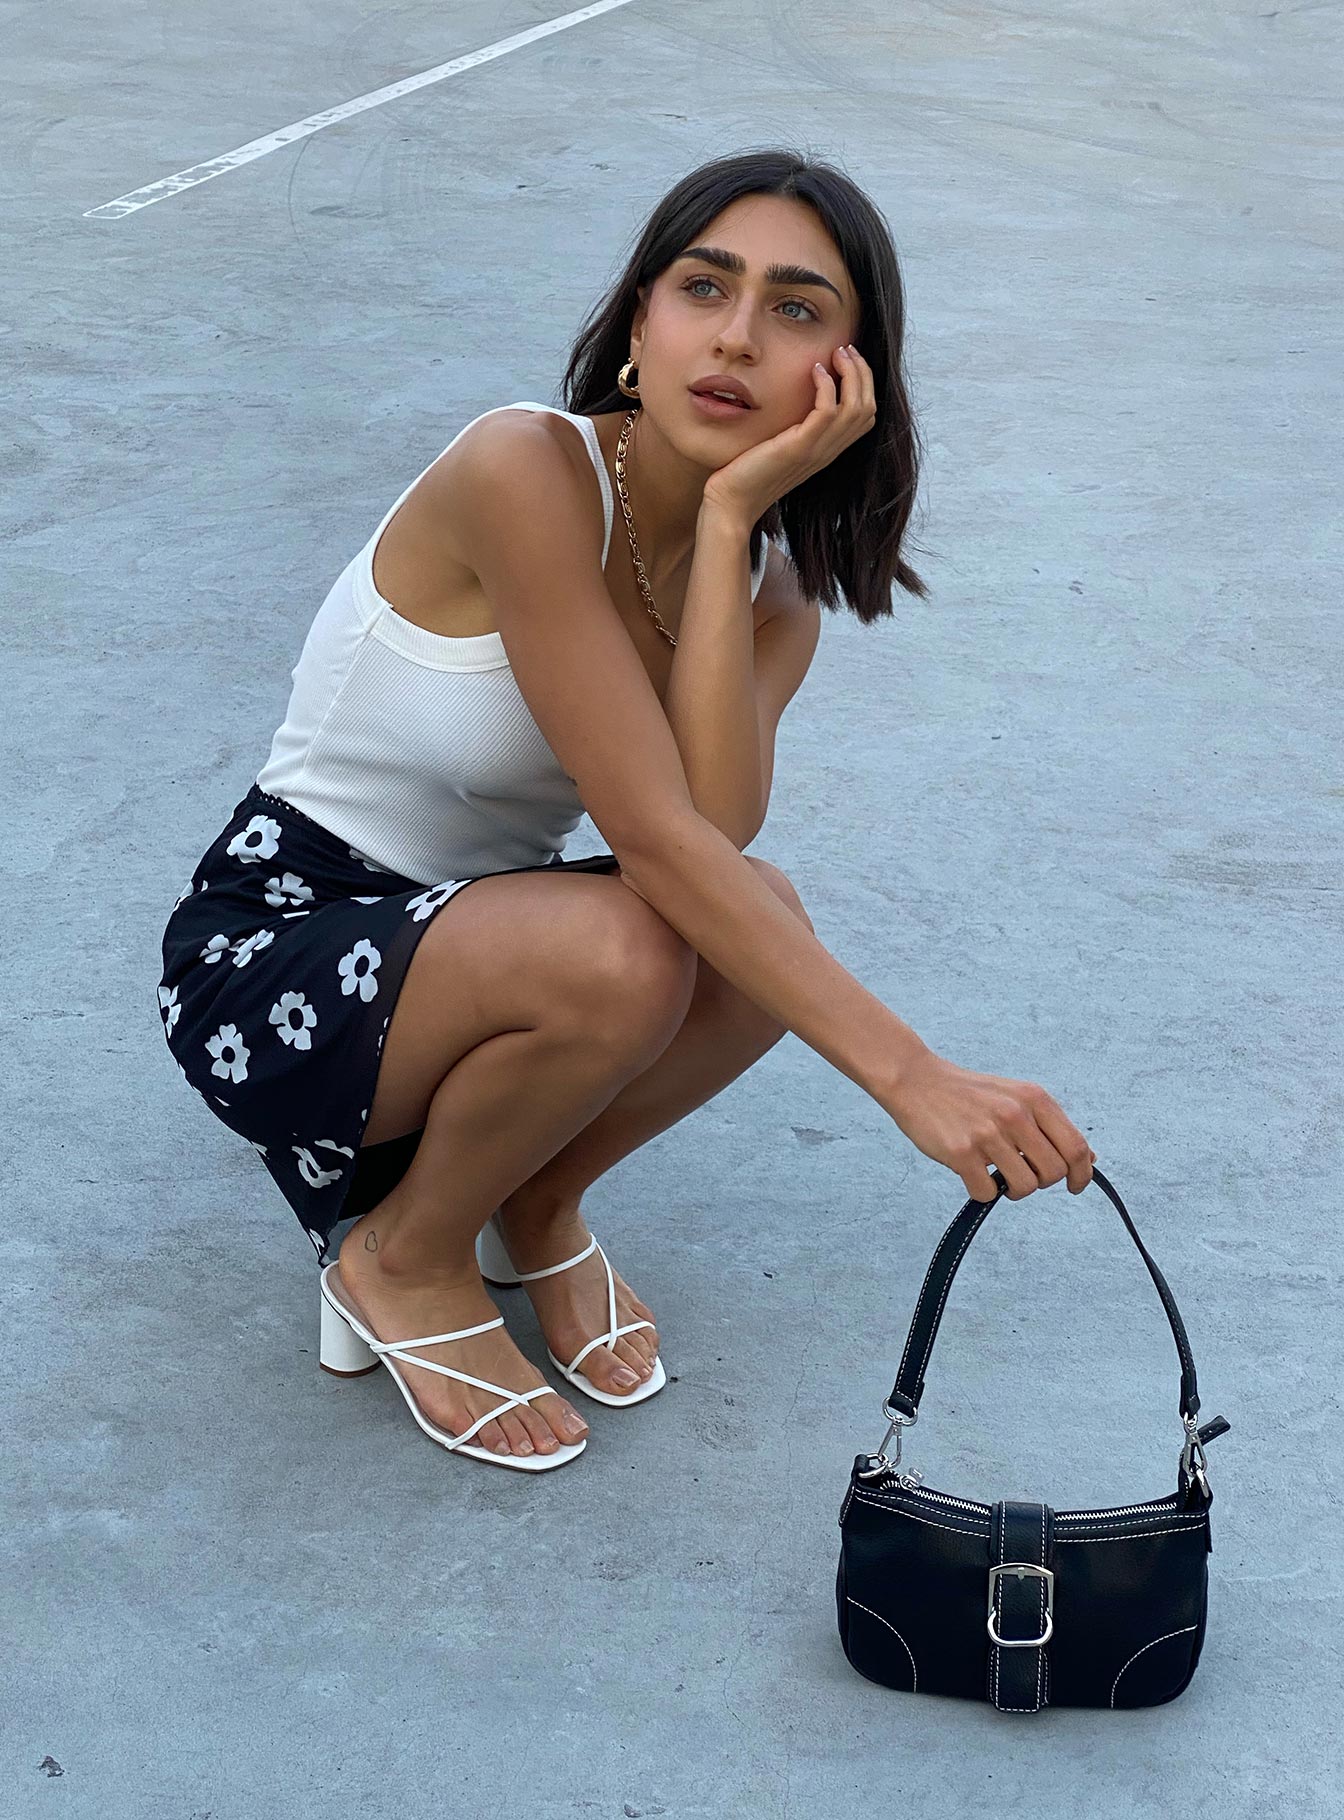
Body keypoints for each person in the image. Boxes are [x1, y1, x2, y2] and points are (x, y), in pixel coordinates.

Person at [157, 147, 1096, 1475]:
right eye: (704, 287)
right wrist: (913, 1078)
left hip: (474, 941)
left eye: (795, 309)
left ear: (850, 377)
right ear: (637, 323)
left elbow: (712, 831)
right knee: (634, 943)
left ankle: (532, 1200)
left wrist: (725, 531)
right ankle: (405, 1255)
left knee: (756, 919)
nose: (736, 336)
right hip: (276, 948)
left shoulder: (774, 596)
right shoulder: (521, 469)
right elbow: (655, 846)